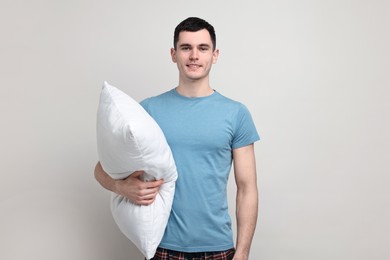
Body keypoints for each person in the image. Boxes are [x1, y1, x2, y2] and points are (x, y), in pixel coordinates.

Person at [94, 17, 260, 260]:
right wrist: (122, 187)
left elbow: (247, 189)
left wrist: (243, 252)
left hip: (218, 248)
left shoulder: (236, 113)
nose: (194, 55)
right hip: (162, 247)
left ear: (214, 55)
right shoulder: (148, 110)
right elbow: (101, 168)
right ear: (174, 54)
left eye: (202, 48)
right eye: (186, 48)